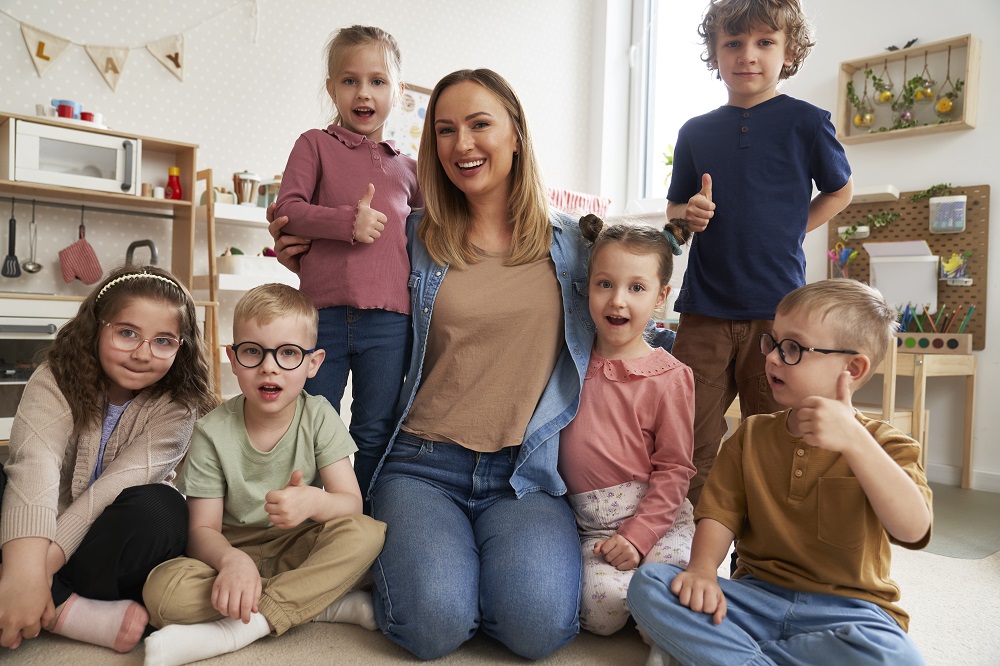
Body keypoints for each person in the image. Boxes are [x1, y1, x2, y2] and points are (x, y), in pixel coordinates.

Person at [270, 67, 593, 660]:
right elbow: (344, 281)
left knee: (537, 629)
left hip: (525, 474)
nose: (462, 144)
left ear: (517, 134)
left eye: (480, 125)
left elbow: (638, 286)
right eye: (445, 130)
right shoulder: (411, 233)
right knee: (434, 626)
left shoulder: (573, 243)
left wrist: (684, 224)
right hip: (422, 464)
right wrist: (304, 252)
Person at [627, 279, 932, 666]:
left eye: (792, 349)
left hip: (849, 611)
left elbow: (913, 529)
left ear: (852, 368)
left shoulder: (888, 445)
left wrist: (856, 442)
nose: (771, 358)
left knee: (899, 657)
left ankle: (726, 657)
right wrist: (703, 571)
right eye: (772, 342)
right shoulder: (751, 435)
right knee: (650, 584)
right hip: (754, 600)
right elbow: (720, 515)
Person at [667, 0, 854, 505]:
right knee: (686, 444)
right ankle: (690, 557)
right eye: (733, 43)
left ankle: (760, 563)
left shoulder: (808, 123)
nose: (747, 55)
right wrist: (691, 215)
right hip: (703, 313)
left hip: (780, 318)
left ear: (788, 51)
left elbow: (840, 191)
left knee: (775, 440)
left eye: (764, 42)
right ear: (714, 52)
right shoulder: (695, 132)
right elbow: (674, 210)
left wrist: (795, 229)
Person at [141, 283, 386, 666]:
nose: (269, 366)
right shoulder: (211, 430)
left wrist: (314, 501)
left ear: (313, 363)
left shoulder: (320, 415)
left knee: (368, 534)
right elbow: (202, 531)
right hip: (232, 553)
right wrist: (231, 563)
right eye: (253, 352)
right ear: (234, 360)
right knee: (161, 592)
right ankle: (318, 604)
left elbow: (350, 505)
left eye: (288, 353)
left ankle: (243, 626)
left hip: (298, 548)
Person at [0, 265, 215, 654]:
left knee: (164, 508)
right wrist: (23, 568)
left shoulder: (179, 408)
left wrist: (37, 573)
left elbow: (109, 491)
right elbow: (35, 464)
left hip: (103, 552)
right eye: (127, 332)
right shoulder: (54, 378)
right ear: (97, 327)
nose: (143, 353)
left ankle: (40, 594)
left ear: (181, 347)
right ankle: (62, 609)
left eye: (163, 341)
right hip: (33, 538)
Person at [272, 25, 422, 504]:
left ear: (397, 93)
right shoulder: (314, 144)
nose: (364, 93)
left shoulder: (409, 169)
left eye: (378, 81)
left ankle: (362, 524)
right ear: (331, 87)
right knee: (315, 426)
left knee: (376, 430)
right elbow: (287, 210)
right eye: (350, 81)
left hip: (391, 322)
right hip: (323, 319)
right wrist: (345, 223)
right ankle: (305, 519)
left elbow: (426, 236)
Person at [558, 214, 696, 636]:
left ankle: (667, 630)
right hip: (593, 527)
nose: (618, 300)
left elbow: (674, 470)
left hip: (659, 517)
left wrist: (639, 537)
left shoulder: (669, 377)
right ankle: (645, 614)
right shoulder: (569, 361)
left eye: (636, 288)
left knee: (676, 587)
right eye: (605, 284)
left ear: (661, 297)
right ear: (587, 288)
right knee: (603, 614)